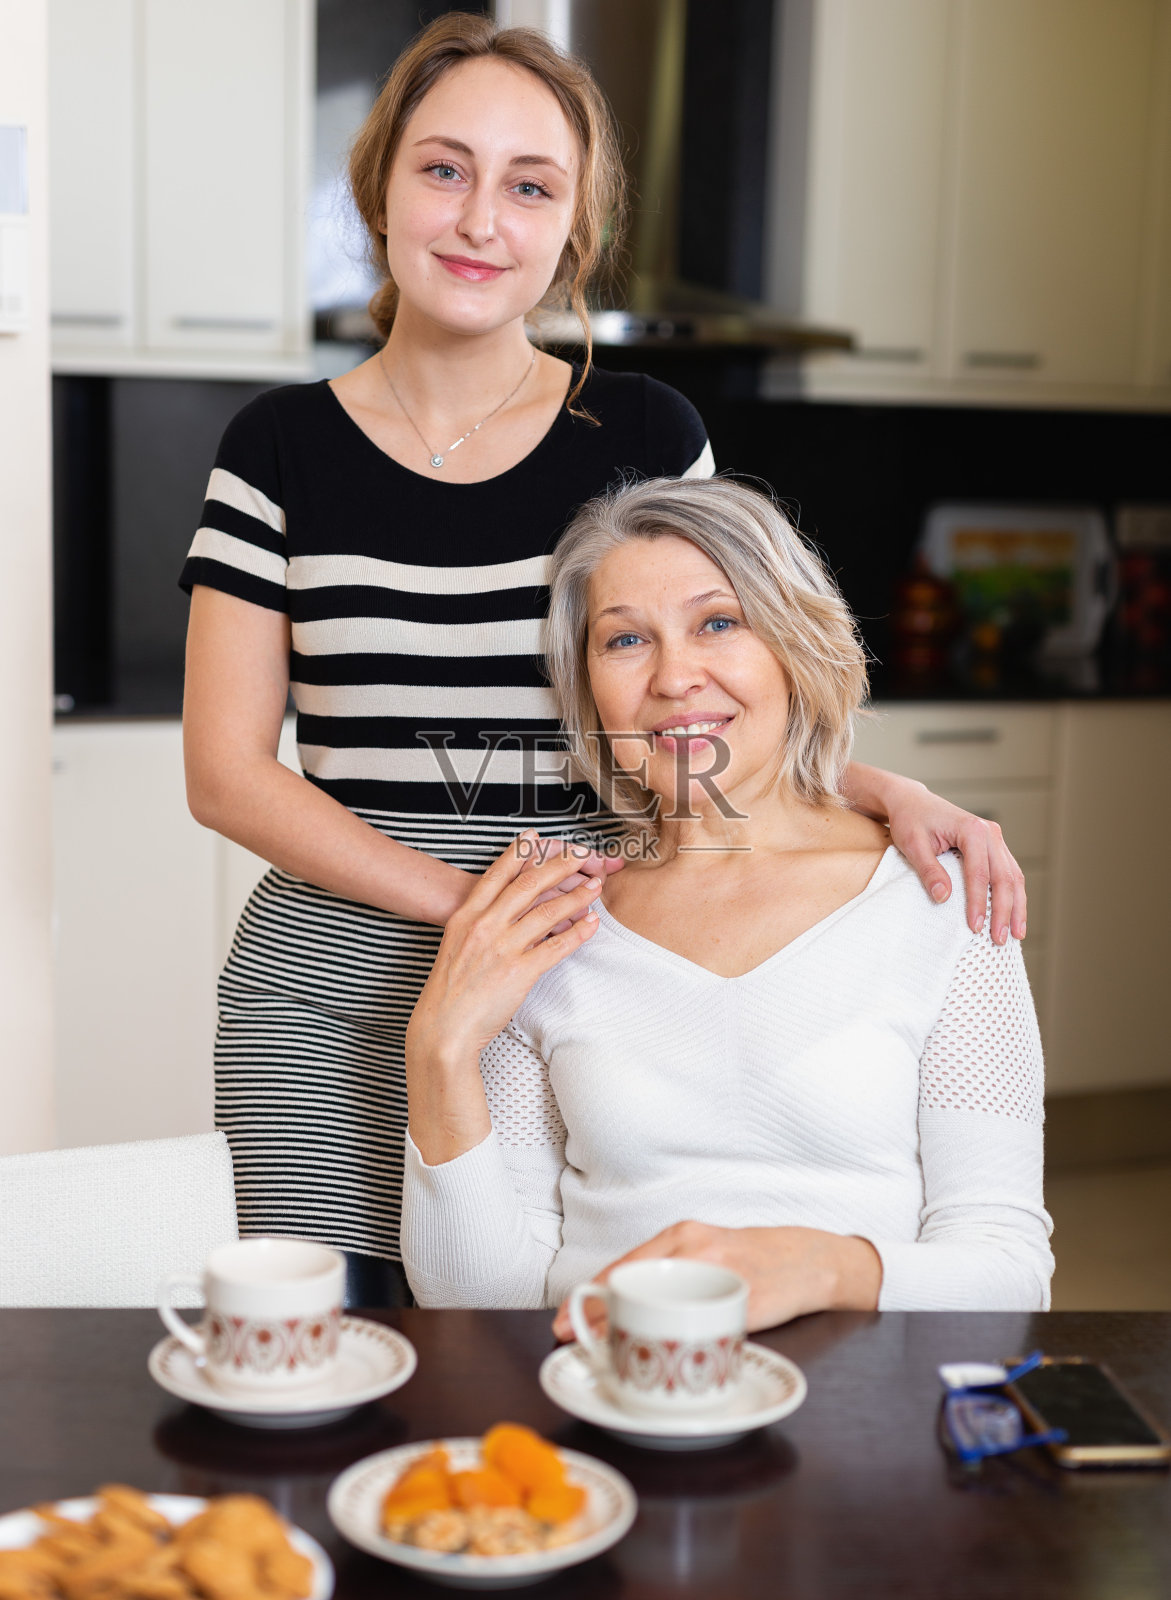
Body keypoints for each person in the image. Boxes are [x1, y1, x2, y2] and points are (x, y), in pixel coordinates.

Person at [180, 16, 1026, 1310]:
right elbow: (229, 774)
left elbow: (708, 673)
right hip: (334, 1000)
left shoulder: (637, 428)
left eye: (530, 186)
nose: (480, 219)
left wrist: (880, 792)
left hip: (585, 984)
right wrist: (475, 917)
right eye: (443, 168)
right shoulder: (277, 446)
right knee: (344, 1366)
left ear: (573, 228)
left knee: (527, 1343)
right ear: (378, 188)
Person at [401, 476, 1053, 1323]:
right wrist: (439, 1048)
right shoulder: (548, 924)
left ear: (793, 645)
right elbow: (478, 1303)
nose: (675, 677)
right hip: (604, 1401)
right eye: (625, 640)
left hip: (854, 1414)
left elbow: (1008, 1273)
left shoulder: (939, 900)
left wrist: (816, 1269)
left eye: (718, 623)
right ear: (589, 691)